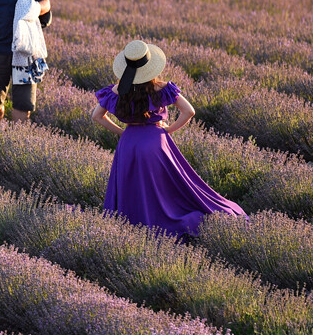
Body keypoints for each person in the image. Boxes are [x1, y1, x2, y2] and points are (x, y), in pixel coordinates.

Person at [91, 40, 247, 237]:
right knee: (164, 188)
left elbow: (96, 116)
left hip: (128, 145)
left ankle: (133, 230)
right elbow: (189, 111)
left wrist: (123, 133)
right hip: (156, 143)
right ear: (150, 67)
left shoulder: (115, 91)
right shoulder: (161, 89)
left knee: (133, 190)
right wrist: (168, 130)